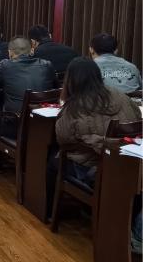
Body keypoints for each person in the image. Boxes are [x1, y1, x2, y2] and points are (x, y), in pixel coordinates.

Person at [49, 57, 139, 209]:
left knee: (52, 159)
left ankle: (51, 210)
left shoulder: (75, 107)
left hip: (93, 169)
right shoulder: (120, 96)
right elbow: (137, 118)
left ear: (71, 81)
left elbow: (62, 139)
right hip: (126, 166)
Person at [0, 36, 56, 137]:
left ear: (10, 52)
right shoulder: (47, 65)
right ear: (31, 51)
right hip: (44, 125)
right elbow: (56, 89)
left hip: (16, 125)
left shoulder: (5, 65)